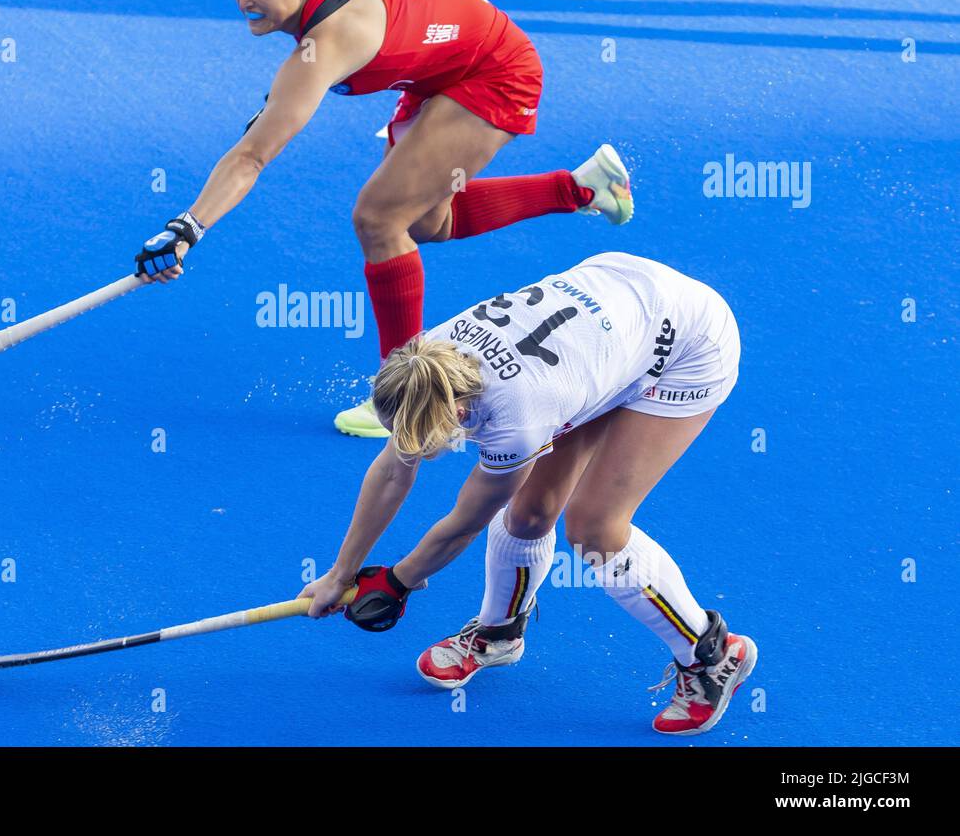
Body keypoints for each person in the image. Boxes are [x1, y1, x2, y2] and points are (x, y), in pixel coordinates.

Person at [133, 0, 633, 437]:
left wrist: (187, 228)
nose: (244, 0)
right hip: (444, 71)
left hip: (494, 72)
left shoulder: (329, 41)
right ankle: (584, 189)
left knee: (379, 220)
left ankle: (406, 397)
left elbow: (253, 156)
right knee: (425, 222)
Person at [297, 251, 757, 736]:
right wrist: (340, 573)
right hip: (611, 316)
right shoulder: (424, 363)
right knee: (531, 514)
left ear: (456, 414)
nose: (410, 447)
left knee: (595, 528)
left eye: (422, 437)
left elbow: (465, 523)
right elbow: (393, 472)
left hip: (686, 342)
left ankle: (711, 653)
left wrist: (398, 581)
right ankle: (499, 634)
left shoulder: (516, 417)